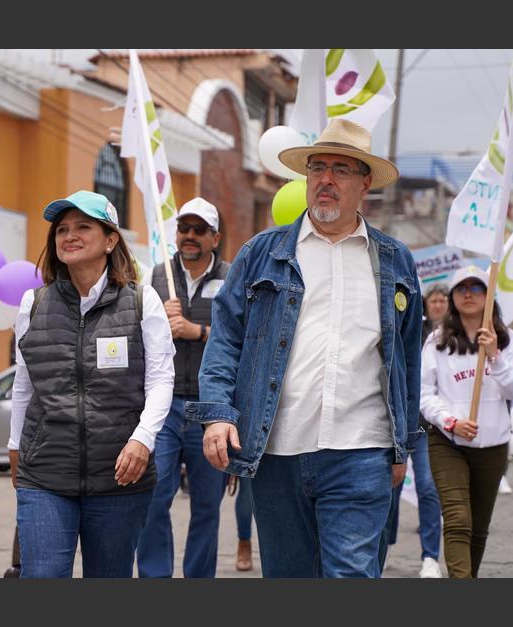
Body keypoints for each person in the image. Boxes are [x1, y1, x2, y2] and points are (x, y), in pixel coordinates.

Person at [189, 118, 422, 578]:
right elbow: (226, 339)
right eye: (317, 168)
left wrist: (402, 450)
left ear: (365, 183)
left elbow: (407, 360)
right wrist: (218, 414)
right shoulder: (262, 253)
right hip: (277, 450)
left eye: (340, 169)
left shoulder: (395, 261)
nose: (326, 180)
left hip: (362, 451)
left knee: (351, 575)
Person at [8, 190, 175, 578]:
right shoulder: (33, 303)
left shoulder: (141, 300)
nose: (69, 235)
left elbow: (161, 377)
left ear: (111, 239)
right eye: (62, 229)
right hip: (45, 473)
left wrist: (142, 439)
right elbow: (24, 384)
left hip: (120, 475)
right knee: (43, 577)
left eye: (83, 226)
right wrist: (15, 444)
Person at [136, 198, 230, 578]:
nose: (189, 236)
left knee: (207, 505)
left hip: (212, 409)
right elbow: (136, 334)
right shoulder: (156, 277)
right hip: (165, 405)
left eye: (199, 230)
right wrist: (161, 322)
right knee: (155, 497)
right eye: (184, 229)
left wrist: (198, 331)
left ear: (214, 237)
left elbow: (240, 336)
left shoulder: (232, 277)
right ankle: (155, 577)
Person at [420, 264, 513, 578]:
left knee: (478, 527)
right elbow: (425, 394)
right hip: (448, 441)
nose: (469, 294)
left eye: (477, 287)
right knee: (457, 520)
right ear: (453, 297)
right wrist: (450, 421)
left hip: (492, 444)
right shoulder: (437, 342)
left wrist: (494, 356)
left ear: (489, 295)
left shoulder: (507, 342)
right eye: (461, 288)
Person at [379, 284, 445, 578]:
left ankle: (430, 556)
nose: (438, 305)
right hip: (397, 422)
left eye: (444, 300)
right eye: (434, 300)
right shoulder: (406, 326)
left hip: (427, 425)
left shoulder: (446, 337)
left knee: (428, 488)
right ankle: (385, 545)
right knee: (389, 489)